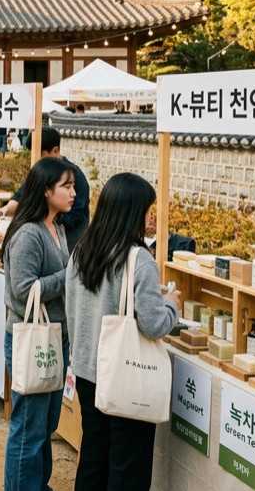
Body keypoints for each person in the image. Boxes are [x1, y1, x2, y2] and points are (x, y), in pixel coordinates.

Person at [65, 173, 180, 491]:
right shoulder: (138, 259)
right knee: (128, 465)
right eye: (148, 209)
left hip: (87, 372)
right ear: (133, 211)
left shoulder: (81, 251)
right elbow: (155, 325)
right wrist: (171, 303)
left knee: (93, 456)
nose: (150, 216)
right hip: (126, 374)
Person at [1, 157, 75, 490]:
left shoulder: (57, 227)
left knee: (45, 426)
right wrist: (70, 276)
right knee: (29, 427)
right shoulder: (29, 233)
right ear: (46, 191)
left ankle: (36, 484)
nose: (73, 193)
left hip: (54, 337)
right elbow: (24, 290)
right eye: (67, 186)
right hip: (28, 338)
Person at [0, 127, 90, 251]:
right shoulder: (39, 172)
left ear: (55, 151)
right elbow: (21, 196)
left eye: (39, 155)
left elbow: (77, 216)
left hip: (70, 238)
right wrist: (5, 209)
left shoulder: (76, 176)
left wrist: (50, 223)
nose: (35, 160)